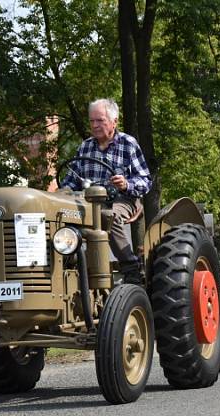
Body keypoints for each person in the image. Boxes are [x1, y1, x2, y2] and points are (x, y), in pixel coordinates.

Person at [58, 98, 151, 284]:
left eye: (100, 120)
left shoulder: (128, 144)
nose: (95, 125)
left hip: (122, 199)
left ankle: (131, 268)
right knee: (58, 213)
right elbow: (71, 180)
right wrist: (62, 193)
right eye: (92, 121)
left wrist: (126, 184)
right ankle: (67, 262)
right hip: (88, 201)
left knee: (107, 215)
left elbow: (146, 181)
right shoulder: (85, 147)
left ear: (114, 121)